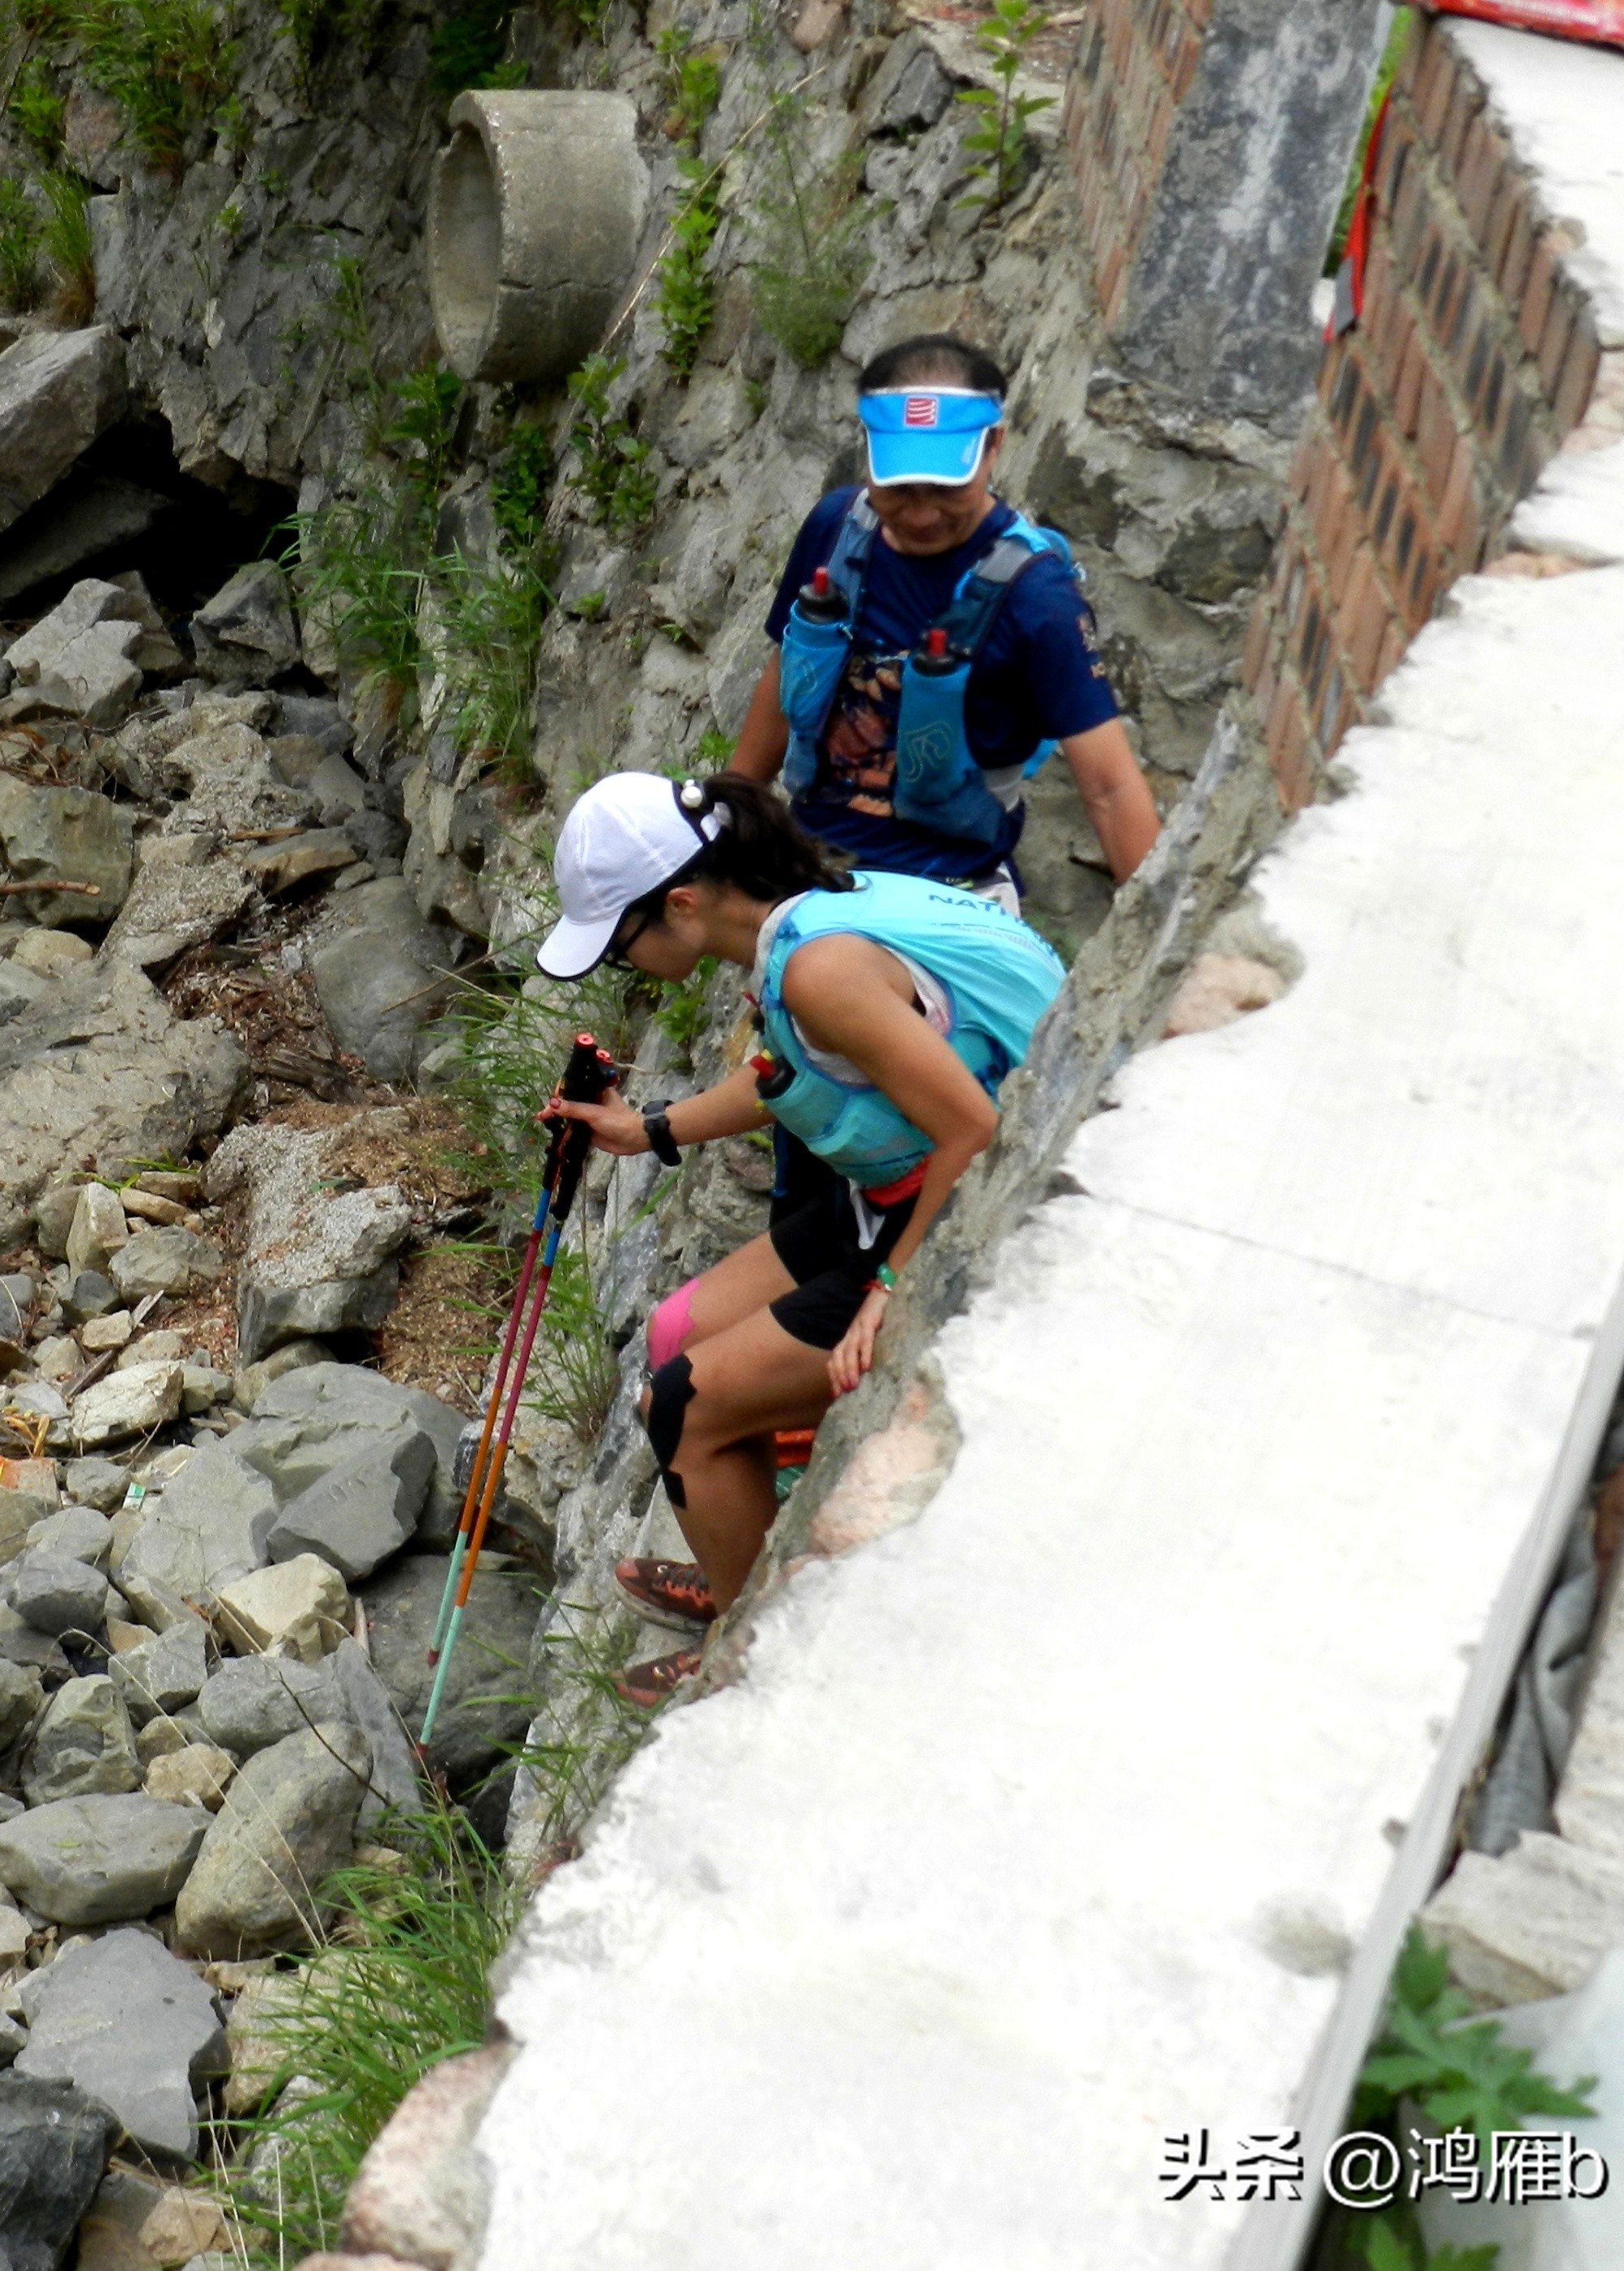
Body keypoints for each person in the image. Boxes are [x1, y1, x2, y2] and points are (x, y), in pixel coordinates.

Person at [532, 773, 1065, 1704]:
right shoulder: (815, 917)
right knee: (673, 1333)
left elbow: (973, 1131)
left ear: (682, 905)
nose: (620, 968)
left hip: (959, 1202)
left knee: (680, 1405)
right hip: (892, 1185)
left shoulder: (818, 970)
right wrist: (646, 1129)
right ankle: (743, 1561)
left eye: (619, 948)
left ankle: (746, 1664)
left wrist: (888, 1291)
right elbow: (787, 1069)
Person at [724, 334, 1153, 1229]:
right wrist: (723, 827)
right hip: (813, 896)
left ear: (992, 450)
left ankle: (869, 1308)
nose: (919, 515)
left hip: (938, 925)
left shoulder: (1035, 597)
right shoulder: (834, 535)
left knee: (899, 1158)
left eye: (944, 490)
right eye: (901, 488)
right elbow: (782, 681)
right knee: (807, 1144)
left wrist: (1159, 947)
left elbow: (1109, 786)